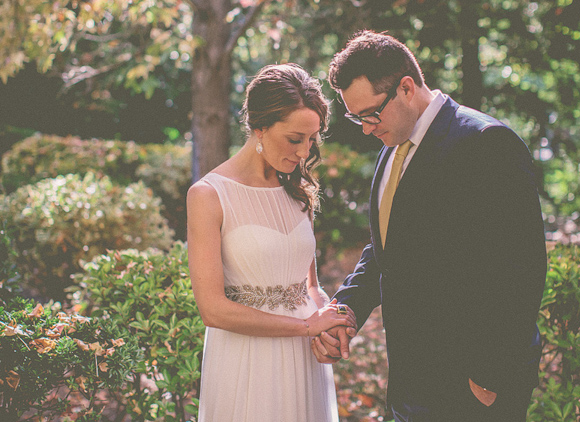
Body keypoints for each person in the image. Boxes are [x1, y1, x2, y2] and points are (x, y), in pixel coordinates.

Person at [311, 30, 547, 422]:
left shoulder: (486, 143)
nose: (367, 128)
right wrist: (348, 309)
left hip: (472, 387)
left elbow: (521, 269)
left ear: (406, 88)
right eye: (357, 118)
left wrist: (490, 377)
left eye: (371, 114)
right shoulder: (392, 149)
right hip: (410, 381)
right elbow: (387, 246)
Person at [187, 63, 356, 422]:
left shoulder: (298, 191)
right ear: (259, 127)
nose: (303, 152)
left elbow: (309, 286)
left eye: (312, 139)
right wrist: (306, 327)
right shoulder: (208, 195)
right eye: (295, 139)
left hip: (304, 360)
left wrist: (330, 319)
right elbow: (212, 310)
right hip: (246, 358)